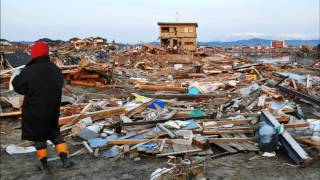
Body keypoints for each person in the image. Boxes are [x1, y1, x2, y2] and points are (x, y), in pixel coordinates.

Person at [12, 40, 74, 170]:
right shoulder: (56, 70)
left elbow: (19, 88)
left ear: (34, 54)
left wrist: (17, 75)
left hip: (35, 111)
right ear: (47, 54)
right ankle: (65, 160)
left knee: (38, 136)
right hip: (52, 109)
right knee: (54, 133)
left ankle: (43, 164)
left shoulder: (29, 71)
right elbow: (59, 86)